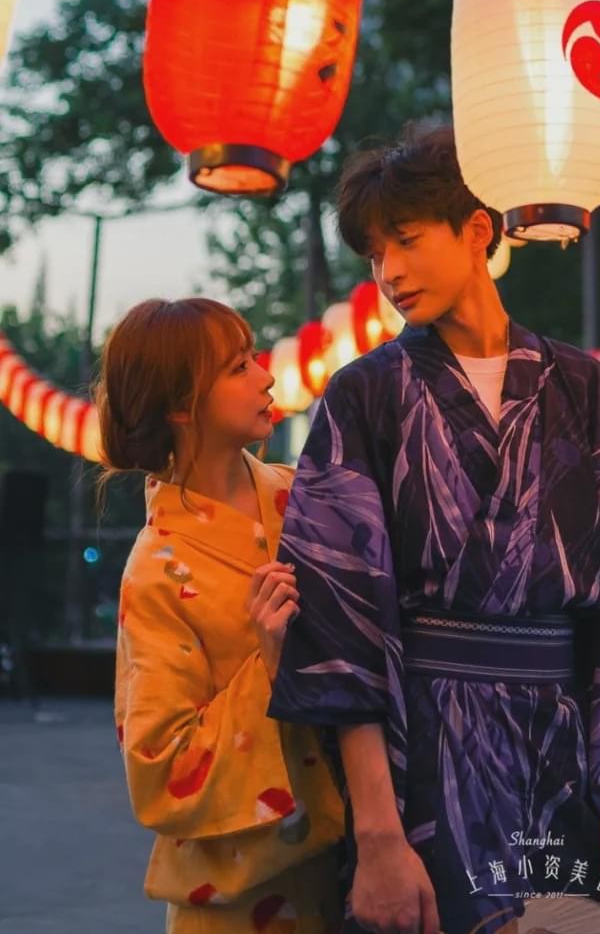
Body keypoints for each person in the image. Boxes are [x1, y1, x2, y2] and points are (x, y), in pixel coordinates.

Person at [269, 124, 600, 934]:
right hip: (426, 756)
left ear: (478, 229)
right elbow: (341, 628)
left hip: (566, 754)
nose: (388, 272)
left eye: (407, 240)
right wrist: (378, 834)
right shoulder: (363, 396)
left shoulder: (582, 386)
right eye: (374, 254)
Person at [97, 297, 345, 933]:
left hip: (356, 873)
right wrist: (269, 666)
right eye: (238, 367)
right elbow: (161, 767)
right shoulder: (156, 571)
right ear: (181, 405)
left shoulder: (305, 499)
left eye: (254, 358)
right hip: (237, 906)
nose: (265, 376)